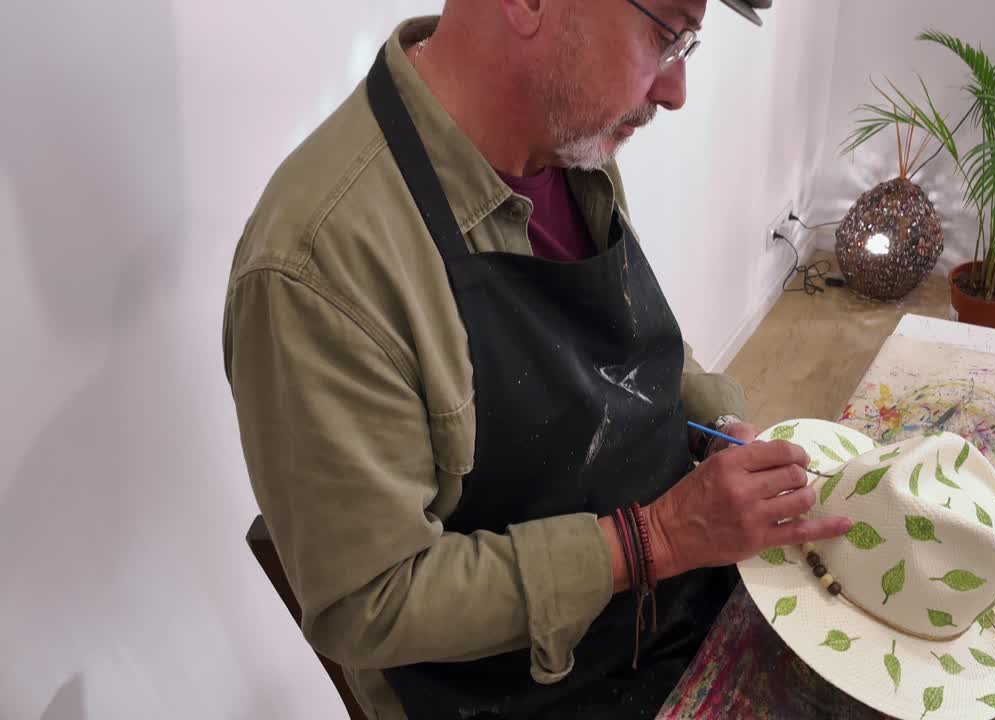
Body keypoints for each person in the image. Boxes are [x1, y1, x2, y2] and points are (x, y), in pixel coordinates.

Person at [222, 1, 852, 718]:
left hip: (678, 610)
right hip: (532, 692)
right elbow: (371, 605)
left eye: (689, 46)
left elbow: (635, 344)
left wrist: (720, 423)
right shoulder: (318, 267)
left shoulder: (564, 145)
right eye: (665, 35)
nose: (676, 92)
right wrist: (659, 538)